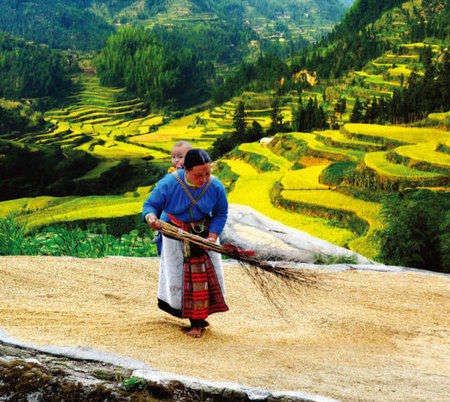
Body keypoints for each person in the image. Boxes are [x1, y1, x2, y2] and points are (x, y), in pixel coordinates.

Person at [143, 149, 229, 338]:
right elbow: (150, 205)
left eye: (208, 173)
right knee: (181, 280)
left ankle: (197, 322)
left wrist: (213, 236)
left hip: (204, 236)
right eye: (199, 175)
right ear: (186, 170)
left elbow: (221, 213)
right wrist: (151, 218)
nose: (204, 178)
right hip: (176, 236)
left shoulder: (215, 186)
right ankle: (194, 320)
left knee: (204, 280)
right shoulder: (169, 183)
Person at [153, 141, 193, 254]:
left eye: (180, 157)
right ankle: (161, 248)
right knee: (162, 224)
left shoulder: (193, 173)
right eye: (173, 157)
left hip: (186, 210)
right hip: (171, 210)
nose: (176, 160)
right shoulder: (171, 174)